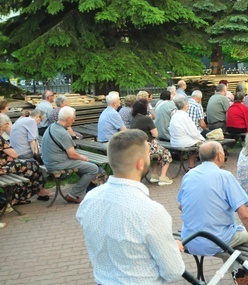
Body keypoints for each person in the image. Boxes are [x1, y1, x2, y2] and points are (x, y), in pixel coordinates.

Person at [76, 129, 185, 284]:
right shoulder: (151, 211)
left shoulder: (90, 199)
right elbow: (173, 272)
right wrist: (171, 249)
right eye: (148, 153)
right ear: (140, 164)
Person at [178, 141, 248, 256]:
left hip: (189, 239)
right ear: (219, 156)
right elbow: (245, 216)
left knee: (228, 236)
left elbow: (182, 206)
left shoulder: (189, 175)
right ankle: (245, 272)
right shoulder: (224, 176)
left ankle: (236, 272)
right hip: (215, 241)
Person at [42, 107, 101, 204]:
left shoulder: (52, 126)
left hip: (49, 160)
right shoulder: (63, 133)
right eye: (73, 118)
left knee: (84, 166)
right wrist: (83, 158)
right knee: (93, 168)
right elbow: (72, 155)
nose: (74, 120)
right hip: (57, 163)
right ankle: (73, 195)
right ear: (68, 119)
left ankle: (90, 190)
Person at [0, 114, 52, 205]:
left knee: (28, 166)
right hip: (3, 167)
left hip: (4, 165)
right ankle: (38, 190)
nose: (7, 125)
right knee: (32, 164)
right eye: (6, 124)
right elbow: (14, 154)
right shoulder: (0, 139)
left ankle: (21, 196)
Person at [129, 98, 173, 186]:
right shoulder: (146, 119)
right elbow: (156, 134)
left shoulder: (134, 118)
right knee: (166, 153)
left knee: (158, 153)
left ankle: (154, 175)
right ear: (144, 108)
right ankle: (163, 177)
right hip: (147, 145)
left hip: (137, 145)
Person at [169, 95, 205, 170]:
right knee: (204, 145)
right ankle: (203, 166)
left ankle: (191, 165)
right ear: (185, 106)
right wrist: (203, 139)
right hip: (183, 142)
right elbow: (194, 133)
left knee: (196, 143)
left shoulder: (175, 115)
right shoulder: (185, 117)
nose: (188, 105)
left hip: (174, 141)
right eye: (187, 104)